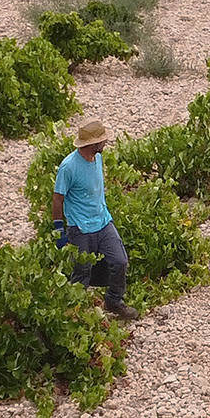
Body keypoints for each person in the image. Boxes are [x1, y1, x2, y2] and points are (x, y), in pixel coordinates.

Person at [51, 118, 134, 321]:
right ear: (92, 144)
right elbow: (57, 198)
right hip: (80, 228)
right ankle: (74, 314)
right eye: (102, 141)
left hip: (103, 222)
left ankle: (114, 302)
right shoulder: (68, 167)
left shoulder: (97, 158)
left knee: (120, 261)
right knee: (82, 273)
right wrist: (59, 230)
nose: (105, 143)